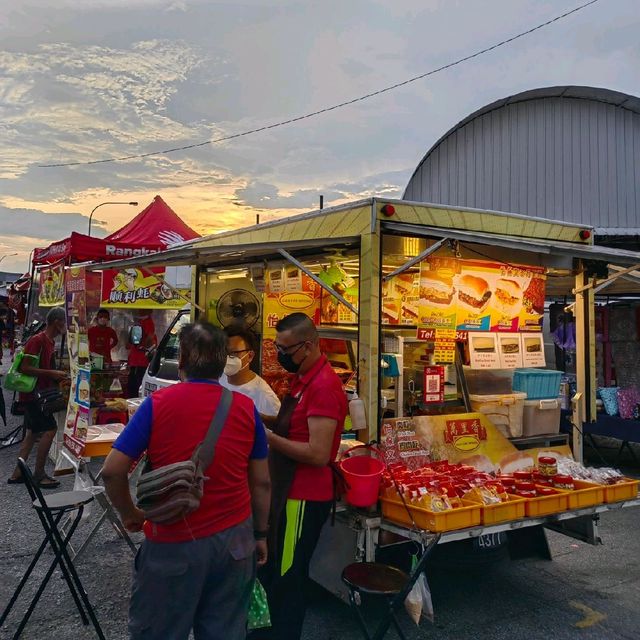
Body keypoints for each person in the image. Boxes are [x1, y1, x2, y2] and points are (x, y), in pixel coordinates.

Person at [102, 322, 271, 640]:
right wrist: (260, 534)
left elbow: (112, 470)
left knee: (161, 631)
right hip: (234, 542)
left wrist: (130, 514)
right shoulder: (246, 408)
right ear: (223, 363)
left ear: (181, 362)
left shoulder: (158, 404)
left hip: (173, 540)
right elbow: (261, 482)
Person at [257, 313, 347, 640]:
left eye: (285, 349)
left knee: (287, 578)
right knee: (273, 573)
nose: (281, 356)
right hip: (286, 493)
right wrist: (258, 417)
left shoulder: (323, 387)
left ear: (307, 346)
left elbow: (318, 453)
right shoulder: (303, 379)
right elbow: (291, 425)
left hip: (304, 498)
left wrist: (267, 438)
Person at [8, 306, 68, 488]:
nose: (65, 326)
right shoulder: (38, 340)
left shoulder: (48, 342)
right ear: (57, 322)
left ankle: (18, 473)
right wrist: (51, 373)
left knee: (32, 434)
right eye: (64, 322)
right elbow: (24, 367)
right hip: (34, 396)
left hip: (37, 394)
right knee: (50, 429)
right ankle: (39, 474)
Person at [220, 327, 281, 420]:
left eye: (233, 353)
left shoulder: (265, 396)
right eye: (224, 352)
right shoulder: (216, 380)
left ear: (250, 356)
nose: (227, 358)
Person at [127, 310, 156, 397]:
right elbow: (128, 344)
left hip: (141, 363)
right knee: (132, 387)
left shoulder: (148, 322)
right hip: (135, 362)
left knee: (135, 388)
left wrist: (143, 345)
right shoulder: (139, 322)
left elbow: (150, 338)